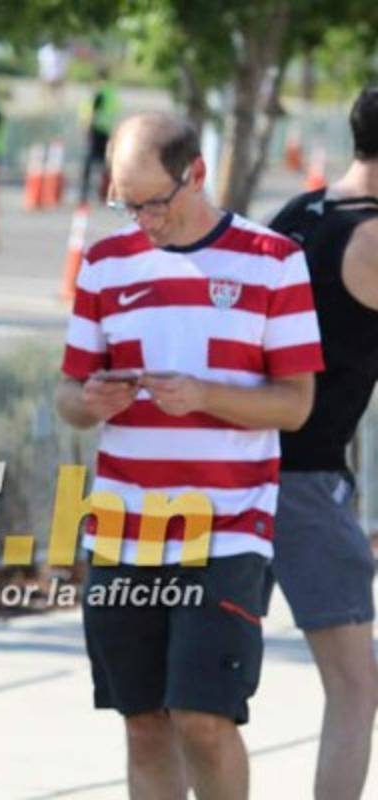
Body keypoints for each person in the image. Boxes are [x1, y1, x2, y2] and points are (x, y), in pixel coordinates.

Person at [54, 112, 322, 799]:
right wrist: (94, 401)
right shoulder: (105, 263)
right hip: (121, 526)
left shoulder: (273, 259)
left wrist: (206, 394)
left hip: (227, 527)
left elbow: (295, 405)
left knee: (203, 719)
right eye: (125, 201)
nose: (142, 217)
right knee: (143, 721)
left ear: (196, 174)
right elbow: (68, 398)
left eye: (154, 201)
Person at [266, 86, 378, 800]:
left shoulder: (298, 213)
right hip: (304, 482)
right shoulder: (372, 235)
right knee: (354, 688)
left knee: (204, 697)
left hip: (236, 466)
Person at [80, 68, 120, 204]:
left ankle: (84, 193)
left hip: (96, 130)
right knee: (105, 163)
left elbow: (92, 111)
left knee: (89, 162)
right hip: (106, 130)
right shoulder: (110, 92)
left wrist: (87, 128)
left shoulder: (99, 92)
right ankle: (105, 193)